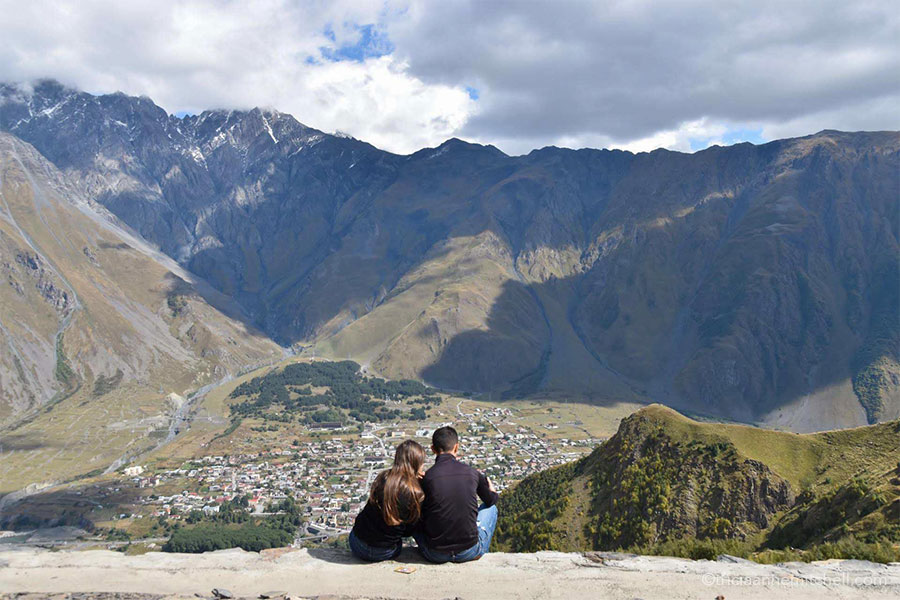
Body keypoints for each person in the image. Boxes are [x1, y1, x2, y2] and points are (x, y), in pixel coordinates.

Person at [414, 426, 499, 563]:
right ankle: (479, 554)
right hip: (468, 551)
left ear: (433, 449)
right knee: (492, 509)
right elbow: (490, 501)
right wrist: (493, 492)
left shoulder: (427, 478)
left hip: (435, 554)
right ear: (456, 447)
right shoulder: (472, 473)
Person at [349, 439, 426, 561]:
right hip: (384, 552)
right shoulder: (415, 493)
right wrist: (419, 484)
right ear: (416, 463)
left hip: (357, 544)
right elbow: (408, 531)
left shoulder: (383, 477)